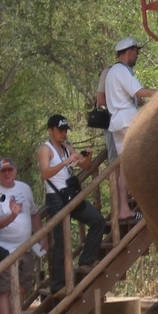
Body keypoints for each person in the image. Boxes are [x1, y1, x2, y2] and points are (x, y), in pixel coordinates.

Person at [36, 114, 104, 297]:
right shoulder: (45, 149)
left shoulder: (67, 148)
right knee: (60, 241)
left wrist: (87, 157)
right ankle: (57, 286)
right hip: (56, 199)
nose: (63, 134)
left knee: (97, 220)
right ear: (50, 130)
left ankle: (86, 259)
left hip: (71, 196)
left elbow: (86, 167)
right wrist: (65, 162)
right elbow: (45, 174)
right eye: (60, 130)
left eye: (65, 130)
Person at [0, 157, 42, 314]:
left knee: (21, 288)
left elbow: (34, 214)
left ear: (16, 170)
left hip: (26, 247)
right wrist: (12, 214)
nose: (7, 173)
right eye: (3, 171)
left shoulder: (24, 188)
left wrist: (40, 237)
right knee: (3, 290)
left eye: (10, 170)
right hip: (4, 248)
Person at [105, 37, 156, 220]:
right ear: (129, 52)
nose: (137, 56)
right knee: (148, 155)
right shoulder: (122, 70)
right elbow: (139, 91)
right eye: (136, 52)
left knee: (125, 167)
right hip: (127, 120)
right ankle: (152, 199)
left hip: (117, 122)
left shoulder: (111, 72)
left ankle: (124, 209)